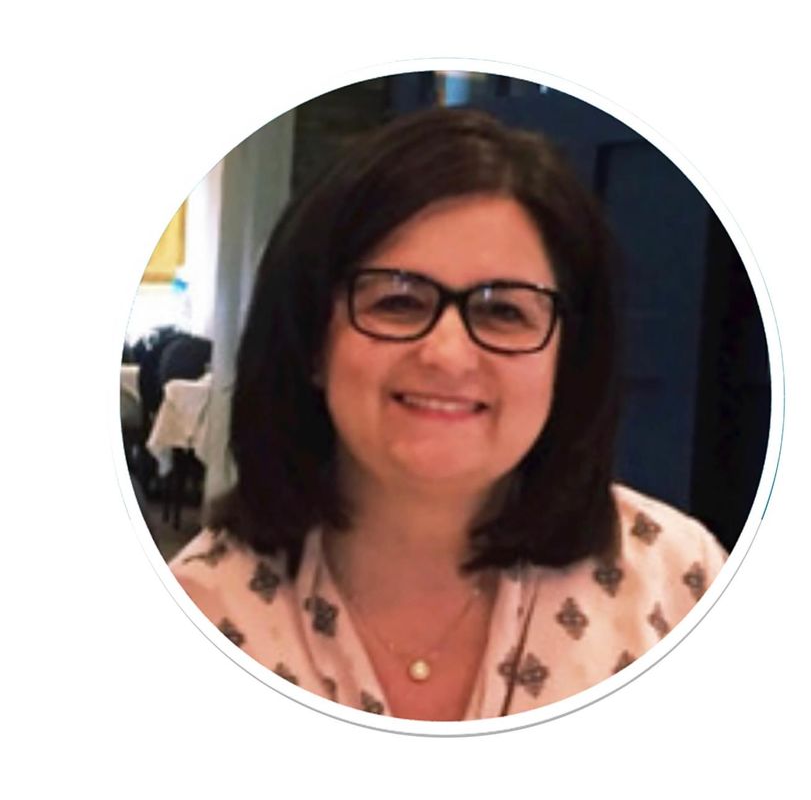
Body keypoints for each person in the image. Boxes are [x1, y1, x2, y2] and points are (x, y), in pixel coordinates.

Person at [170, 106, 728, 722]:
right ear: (310, 344)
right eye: (397, 302)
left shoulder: (680, 584)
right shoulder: (198, 612)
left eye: (504, 312)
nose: (447, 354)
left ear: (567, 361)